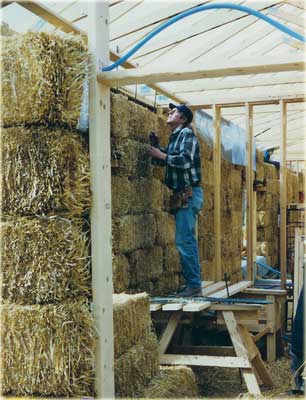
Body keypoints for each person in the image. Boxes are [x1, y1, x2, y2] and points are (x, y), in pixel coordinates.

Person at [148, 103, 203, 297]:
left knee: (184, 241)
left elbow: (185, 161)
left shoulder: (186, 134)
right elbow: (164, 160)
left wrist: (161, 154)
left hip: (188, 194)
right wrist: (156, 148)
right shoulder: (175, 137)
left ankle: (194, 286)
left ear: (183, 119)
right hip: (183, 195)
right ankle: (193, 284)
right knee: (185, 240)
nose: (170, 112)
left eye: (175, 111)